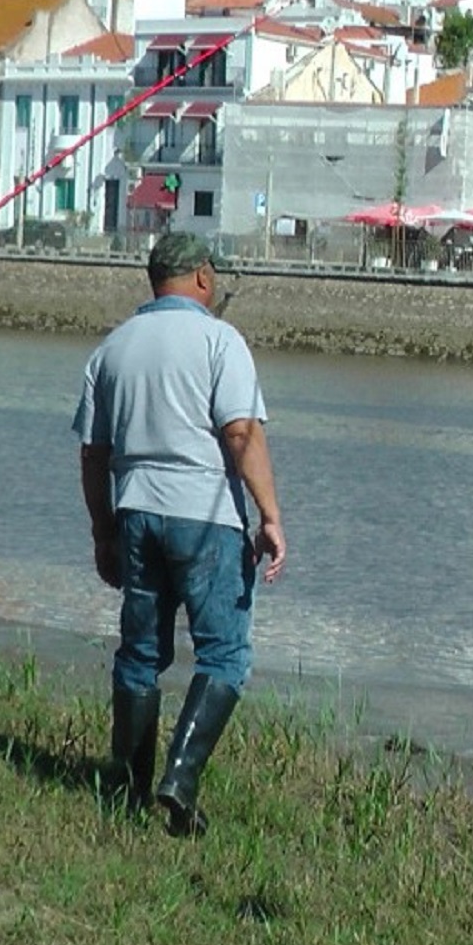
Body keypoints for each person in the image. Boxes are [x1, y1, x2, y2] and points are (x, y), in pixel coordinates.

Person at [72, 232, 287, 835]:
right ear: (200, 277)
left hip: (136, 510)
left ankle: (131, 792)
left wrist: (103, 531)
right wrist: (269, 515)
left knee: (141, 653)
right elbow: (241, 433)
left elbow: (93, 454)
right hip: (207, 515)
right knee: (224, 652)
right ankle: (181, 777)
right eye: (213, 273)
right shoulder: (221, 340)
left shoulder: (112, 350)